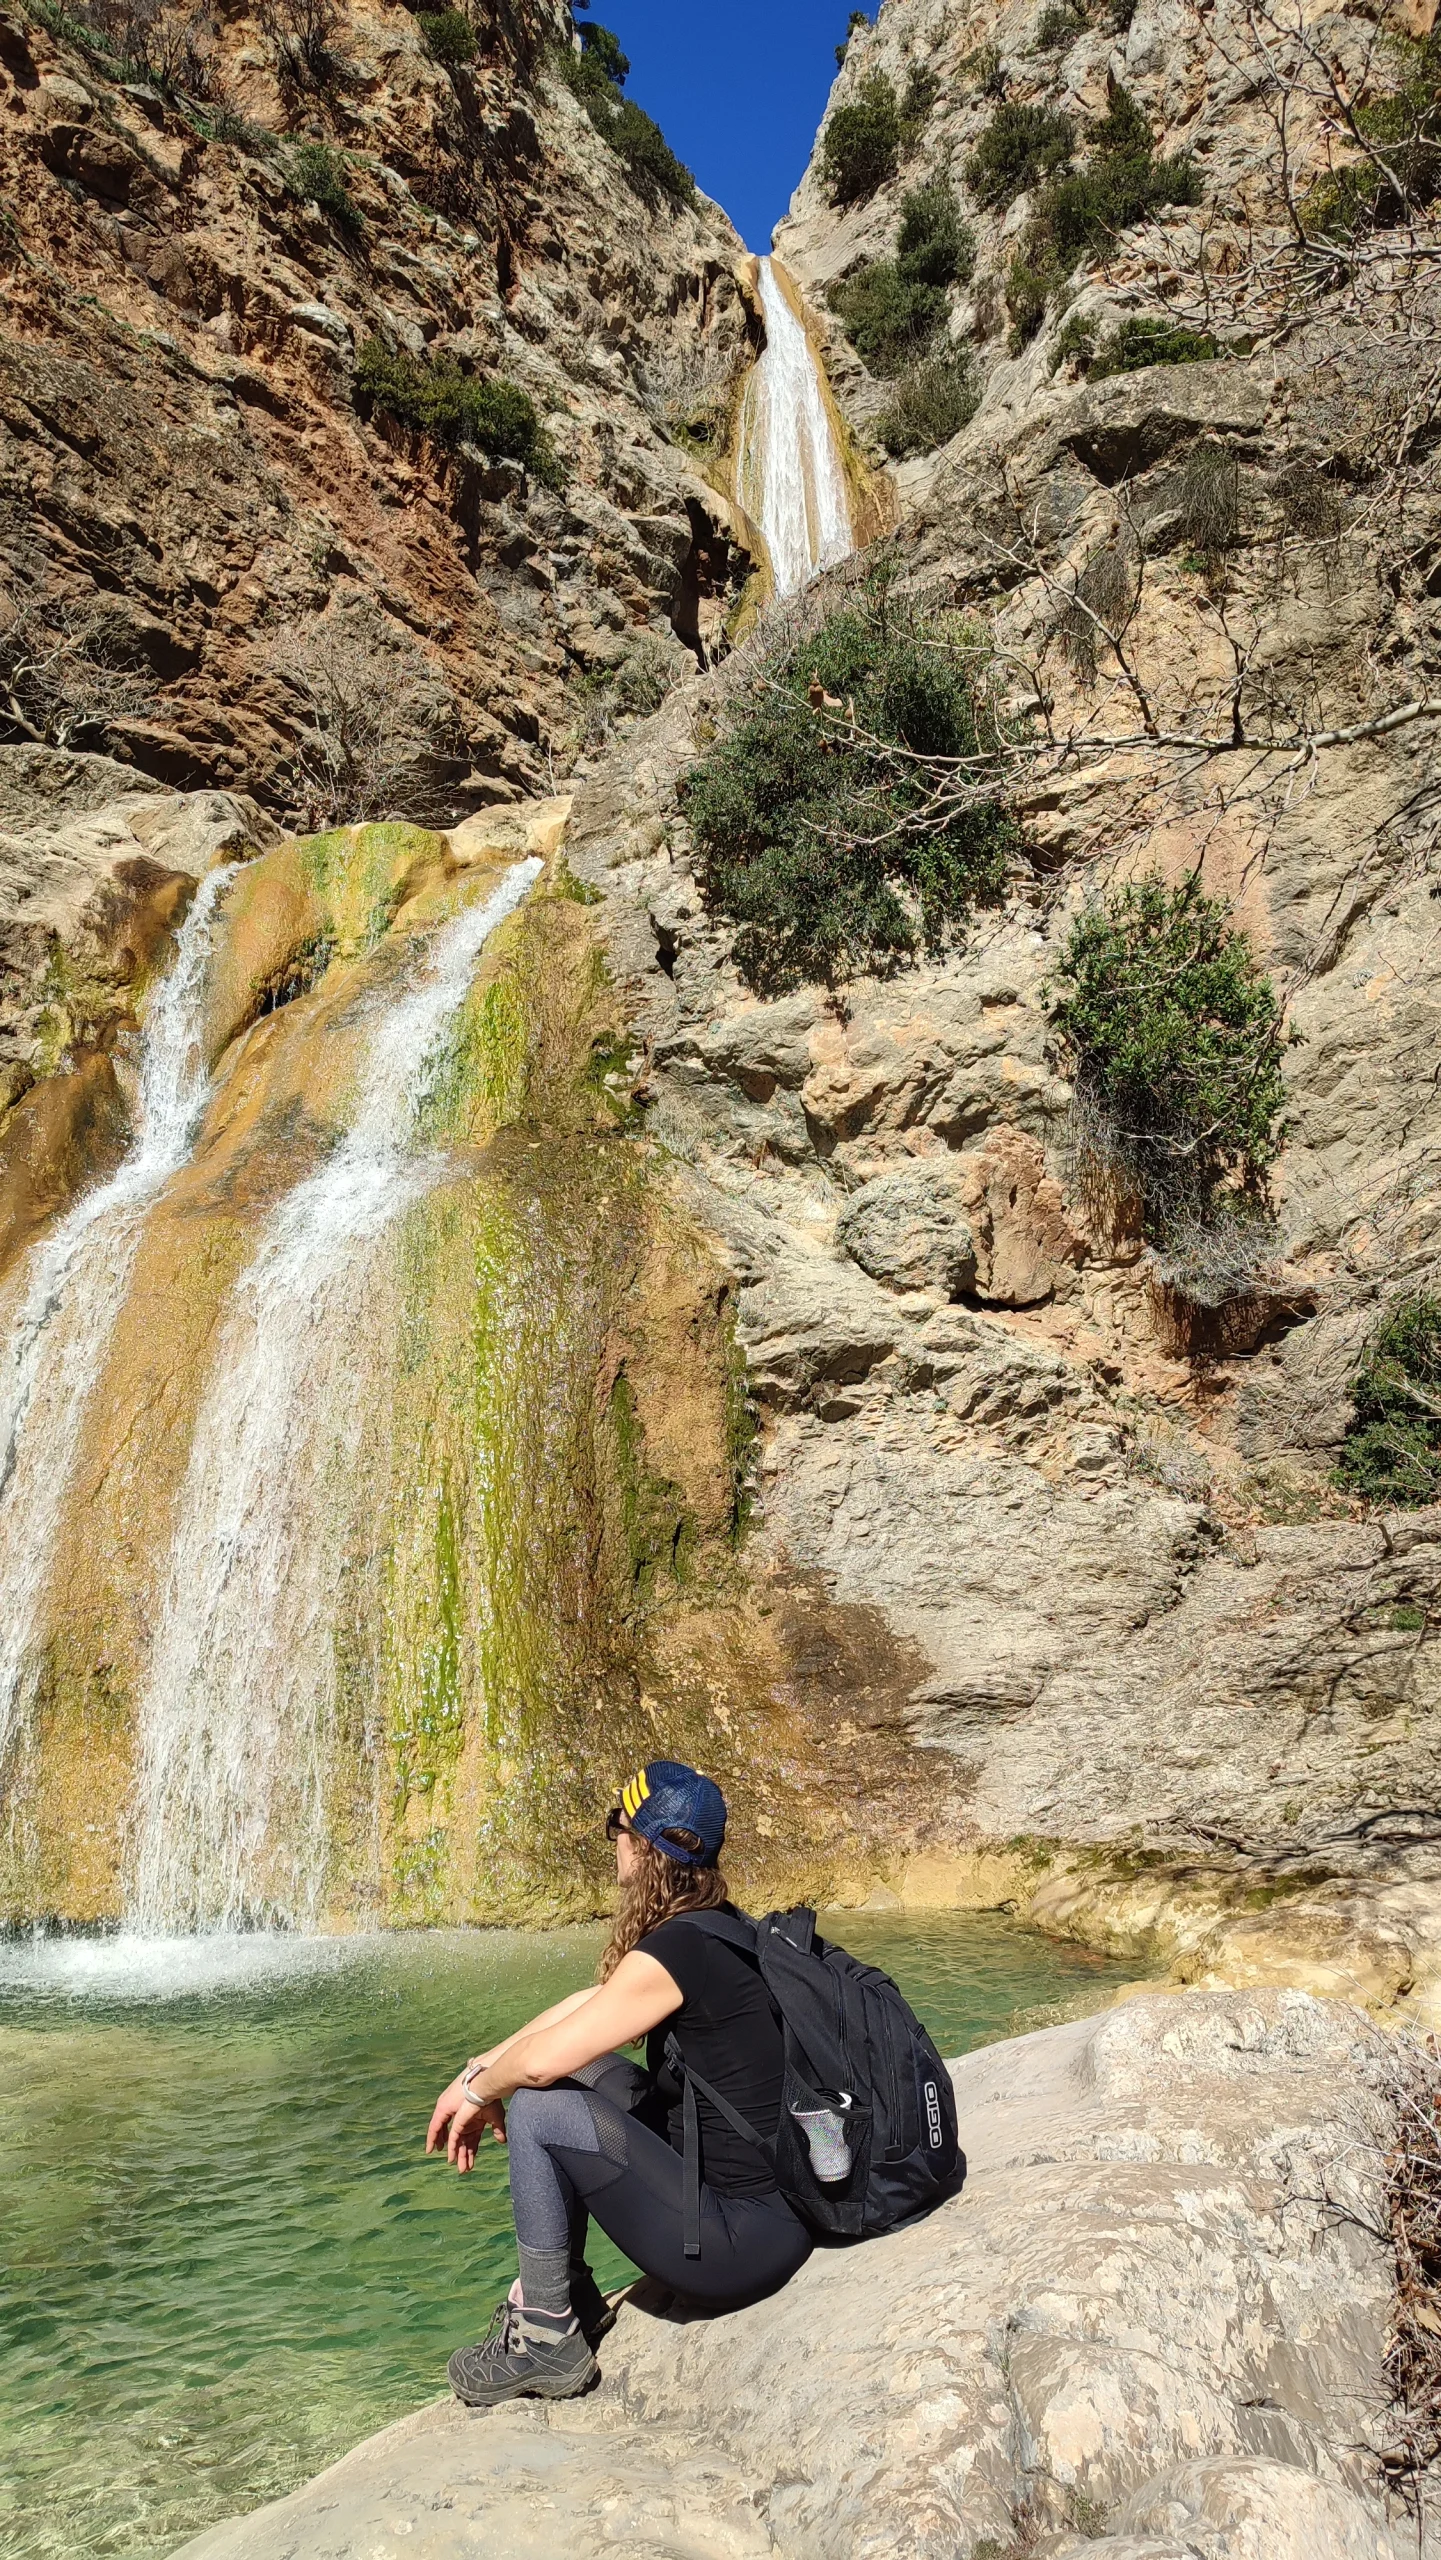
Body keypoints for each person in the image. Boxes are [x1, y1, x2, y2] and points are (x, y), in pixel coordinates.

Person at [426, 1759, 813, 2407]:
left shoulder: (678, 1950)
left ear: (643, 1846)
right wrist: (477, 2068)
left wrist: (480, 2093)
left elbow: (542, 2066)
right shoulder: (715, 1930)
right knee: (575, 2068)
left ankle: (548, 2339)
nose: (613, 1841)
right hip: (773, 2213)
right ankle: (570, 2292)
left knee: (538, 2107)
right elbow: (590, 2006)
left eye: (618, 1826)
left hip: (739, 2245)